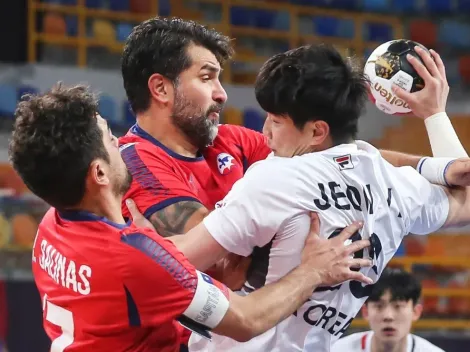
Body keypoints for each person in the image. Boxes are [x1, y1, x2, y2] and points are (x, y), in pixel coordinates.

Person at [123, 43, 470, 352]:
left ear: (317, 131)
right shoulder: (393, 183)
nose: (265, 132)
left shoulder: (276, 178)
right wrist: (435, 118)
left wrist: (139, 239)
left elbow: (180, 264)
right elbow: (465, 199)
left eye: (275, 120)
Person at [9, 84, 374, 351]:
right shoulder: (137, 257)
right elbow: (247, 321)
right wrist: (314, 270)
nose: (120, 143)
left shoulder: (50, 228)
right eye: (109, 140)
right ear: (99, 174)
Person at [331, 268, 445, 352]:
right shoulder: (337, 349)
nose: (388, 316)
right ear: (365, 312)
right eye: (379, 306)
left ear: (415, 312)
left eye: (398, 306)